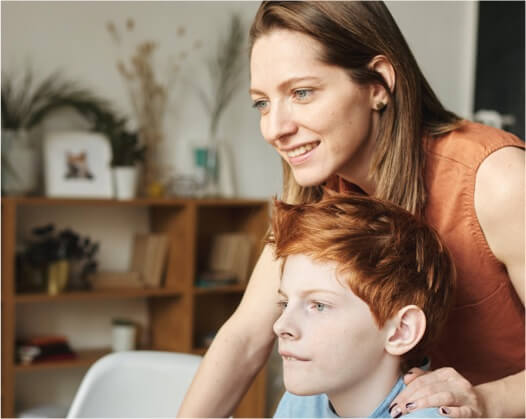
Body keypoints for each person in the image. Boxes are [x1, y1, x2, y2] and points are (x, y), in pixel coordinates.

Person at [178, 2, 524, 417]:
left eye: (301, 93)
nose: (273, 129)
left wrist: (487, 400)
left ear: (378, 83)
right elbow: (246, 337)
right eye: (262, 103)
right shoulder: (319, 191)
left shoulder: (498, 180)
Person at [267, 193, 455, 418]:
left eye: (318, 305)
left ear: (401, 331)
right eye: (285, 303)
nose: (280, 325)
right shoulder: (302, 403)